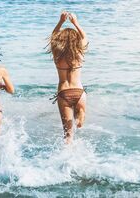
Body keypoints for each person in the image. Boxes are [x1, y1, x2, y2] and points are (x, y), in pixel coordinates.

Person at [48, 11, 88, 144]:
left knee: (68, 134)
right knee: (78, 116)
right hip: (79, 92)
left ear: (61, 41)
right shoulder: (79, 54)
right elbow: (85, 38)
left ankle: (67, 156)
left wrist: (60, 21)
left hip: (64, 93)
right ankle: (79, 116)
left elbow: (53, 38)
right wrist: (75, 22)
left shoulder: (57, 56)